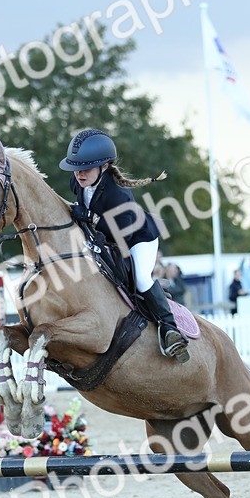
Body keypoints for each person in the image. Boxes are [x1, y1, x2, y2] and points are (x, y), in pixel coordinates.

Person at [59, 129, 189, 361]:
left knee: (141, 278)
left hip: (138, 238)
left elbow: (121, 235)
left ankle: (170, 328)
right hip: (106, 236)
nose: (79, 174)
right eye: (76, 168)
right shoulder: (78, 181)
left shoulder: (118, 194)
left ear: (105, 167)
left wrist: (89, 216)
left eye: (85, 168)